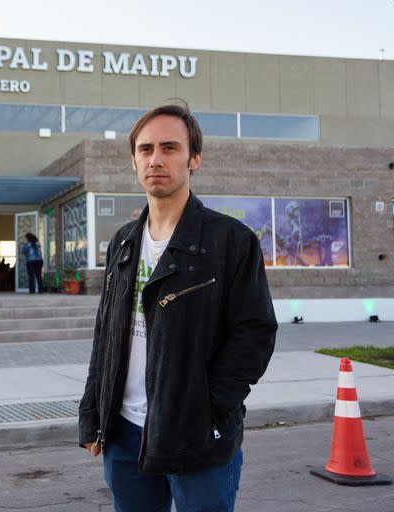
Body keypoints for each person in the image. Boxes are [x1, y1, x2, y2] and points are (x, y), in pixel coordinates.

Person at [78, 102, 277, 512]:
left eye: (170, 147)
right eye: (146, 149)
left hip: (196, 434)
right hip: (124, 432)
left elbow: (255, 333)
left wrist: (210, 406)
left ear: (194, 158)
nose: (156, 159)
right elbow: (106, 333)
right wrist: (93, 413)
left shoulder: (231, 242)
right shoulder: (123, 243)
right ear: (134, 161)